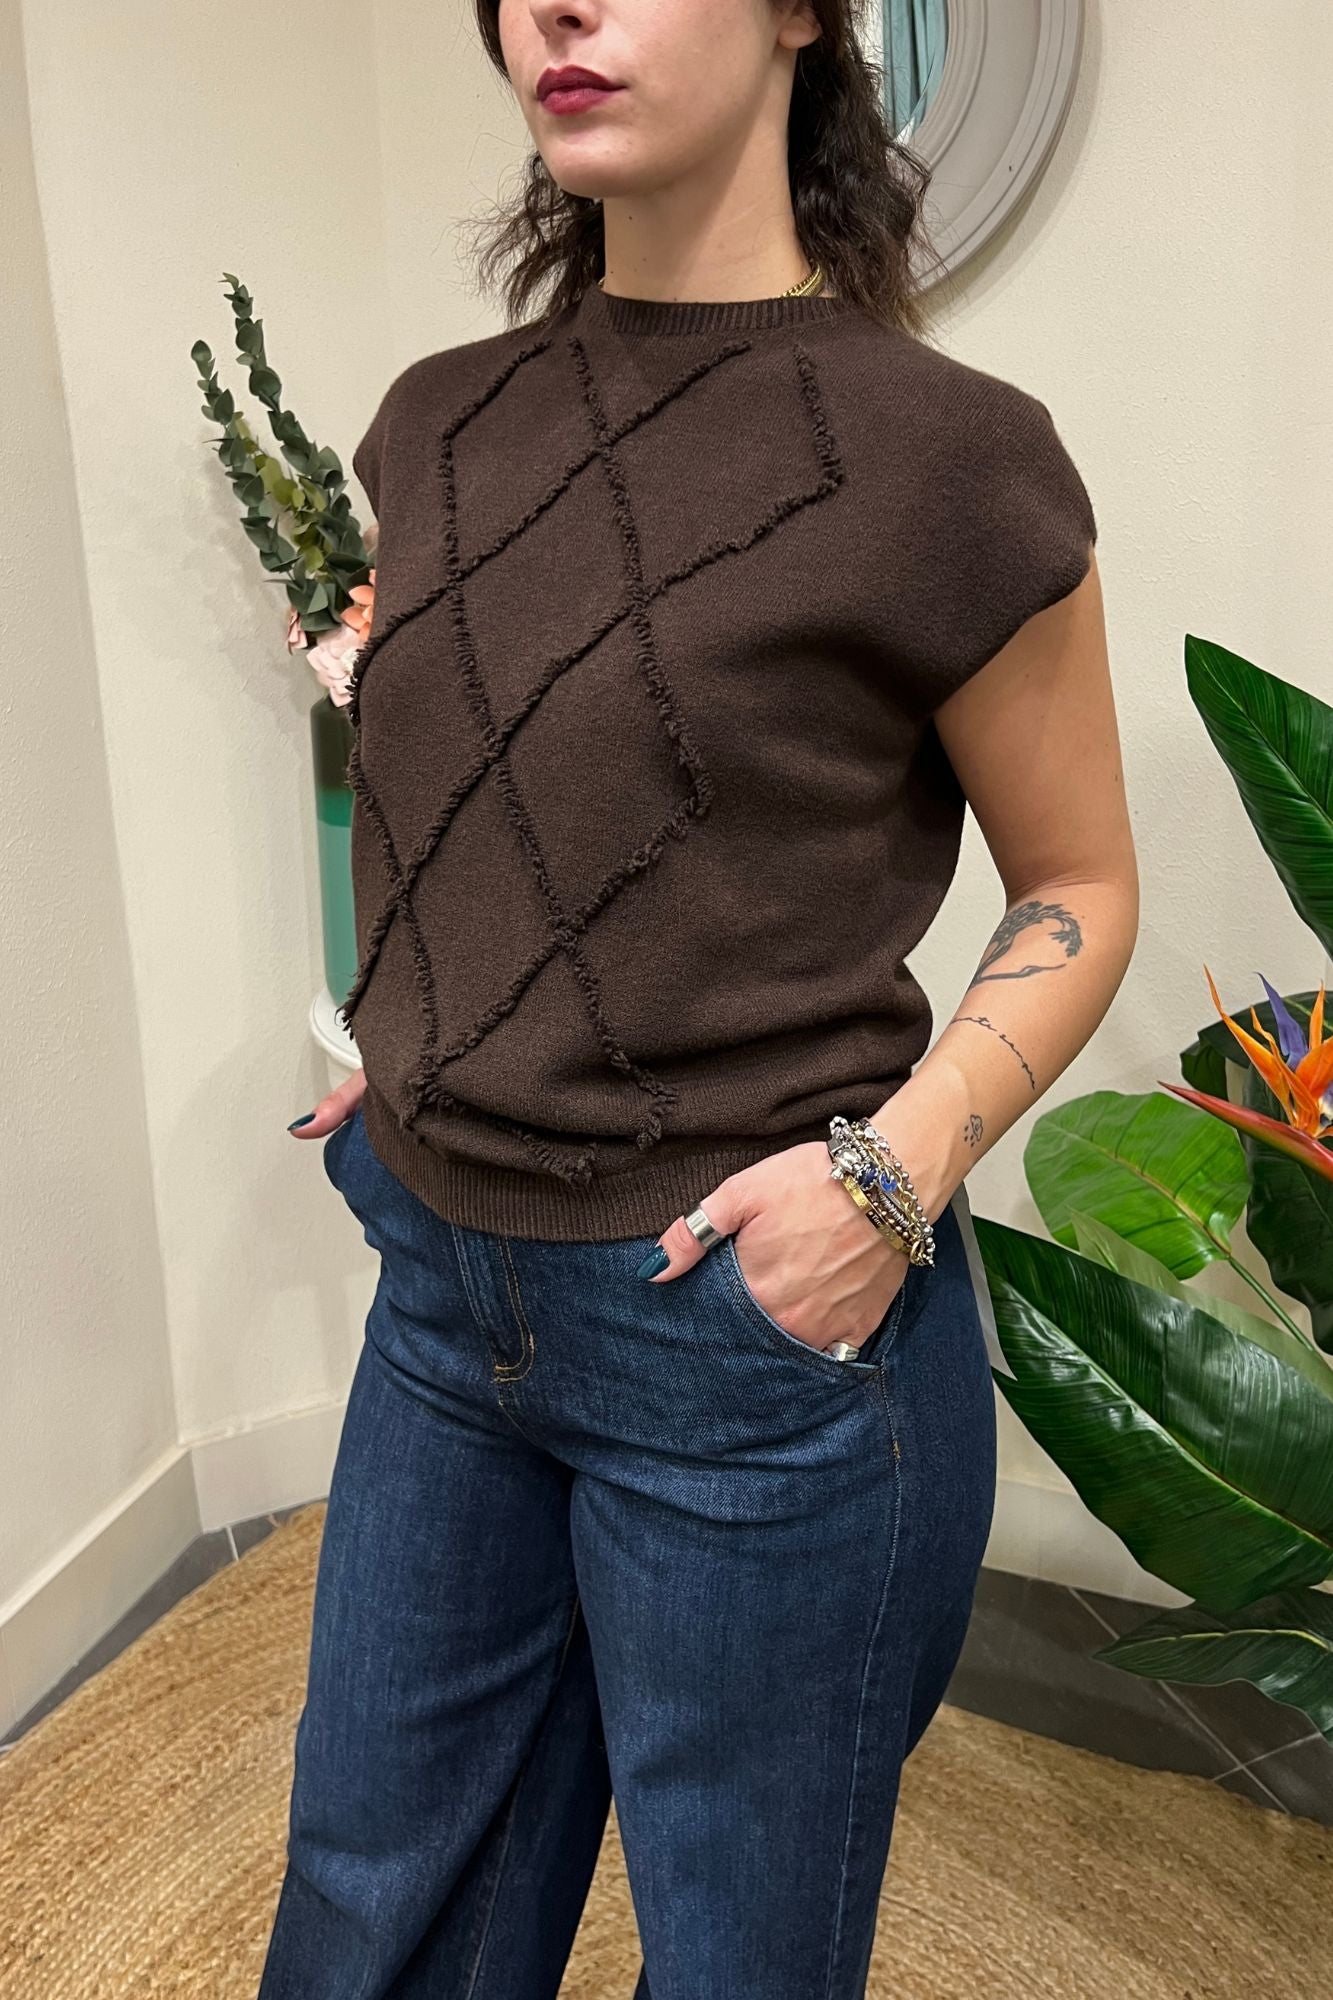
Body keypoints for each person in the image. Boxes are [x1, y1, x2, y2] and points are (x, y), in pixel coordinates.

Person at [257, 1, 1136, 1995]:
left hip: (747, 1332)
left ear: (800, 12)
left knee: (739, 1954)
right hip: (439, 1299)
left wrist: (887, 1178)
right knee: (373, 1909)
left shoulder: (949, 458)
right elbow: (498, 788)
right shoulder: (435, 421)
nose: (554, 11)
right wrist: (424, 1032)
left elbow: (1079, 884)